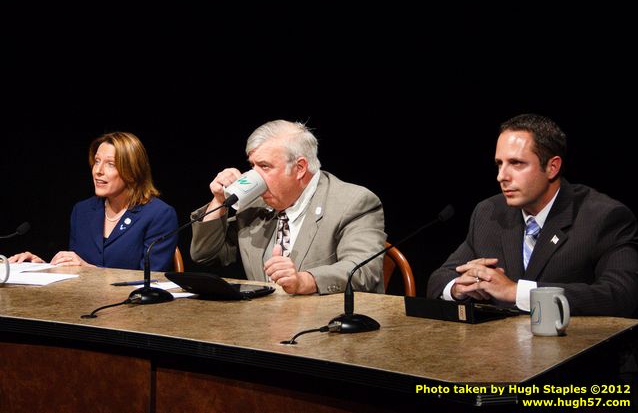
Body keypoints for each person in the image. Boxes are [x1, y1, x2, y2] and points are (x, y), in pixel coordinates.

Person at [427, 113, 638, 317]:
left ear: (552, 167)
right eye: (499, 164)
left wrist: (516, 292)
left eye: (516, 163)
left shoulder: (604, 217)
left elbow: (621, 294)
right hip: (501, 349)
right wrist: (460, 287)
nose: (501, 176)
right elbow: (439, 280)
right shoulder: (489, 212)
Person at [190, 119, 386, 295]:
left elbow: (363, 270)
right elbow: (205, 255)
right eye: (252, 166)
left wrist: (304, 281)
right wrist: (219, 200)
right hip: (261, 324)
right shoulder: (254, 203)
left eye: (265, 166)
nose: (254, 177)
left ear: (300, 168)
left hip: (327, 325)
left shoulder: (353, 202)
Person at [9, 132, 178, 271]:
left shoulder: (159, 215)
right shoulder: (82, 211)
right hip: (84, 307)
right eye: (97, 161)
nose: (98, 170)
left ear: (132, 171)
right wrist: (41, 267)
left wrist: (90, 270)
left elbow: (150, 282)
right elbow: (75, 269)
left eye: (110, 164)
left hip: (136, 310)